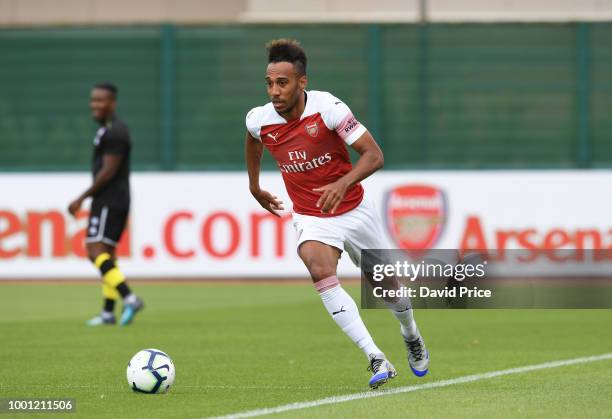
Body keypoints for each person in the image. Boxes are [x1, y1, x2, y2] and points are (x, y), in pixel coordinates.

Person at [245, 39, 429, 389]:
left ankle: (411, 333)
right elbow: (252, 141)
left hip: (354, 210)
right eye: (269, 83)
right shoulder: (259, 119)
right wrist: (254, 186)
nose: (274, 91)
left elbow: (374, 155)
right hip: (312, 216)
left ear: (302, 82)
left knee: (388, 288)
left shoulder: (328, 108)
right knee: (318, 267)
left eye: (282, 83)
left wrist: (342, 184)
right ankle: (375, 356)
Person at [68, 82, 143, 326]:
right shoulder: (107, 130)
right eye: (93, 100)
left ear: (112, 103)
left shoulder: (115, 132)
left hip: (109, 201)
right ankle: (109, 312)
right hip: (114, 200)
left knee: (94, 251)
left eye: (101, 101)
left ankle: (129, 297)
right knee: (108, 254)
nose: (95, 105)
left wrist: (81, 197)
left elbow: (108, 171)